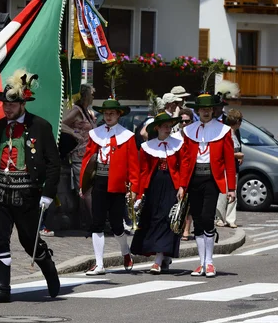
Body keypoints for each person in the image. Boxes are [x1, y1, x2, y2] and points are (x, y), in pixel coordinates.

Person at [0, 70, 61, 303]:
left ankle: (48, 268)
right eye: (5, 104)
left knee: (29, 240)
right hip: (1, 193)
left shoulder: (40, 126)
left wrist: (47, 194)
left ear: (23, 103)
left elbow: (54, 164)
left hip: (27, 194)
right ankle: (2, 289)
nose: (8, 109)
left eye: (12, 105)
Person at [80, 98, 139, 276]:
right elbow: (87, 159)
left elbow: (134, 166)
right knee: (96, 223)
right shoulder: (95, 134)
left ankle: (125, 252)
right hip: (99, 181)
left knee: (116, 226)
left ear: (119, 115)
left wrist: (134, 189)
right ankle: (99, 264)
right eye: (106, 113)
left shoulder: (127, 136)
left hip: (118, 185)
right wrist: (83, 184)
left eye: (112, 113)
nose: (108, 116)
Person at [182, 94, 236, 278]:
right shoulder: (189, 131)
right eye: (202, 109)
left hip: (212, 179)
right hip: (194, 179)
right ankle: (202, 262)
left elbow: (229, 161)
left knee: (207, 217)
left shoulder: (223, 130)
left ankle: (210, 262)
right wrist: (182, 186)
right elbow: (185, 160)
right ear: (197, 111)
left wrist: (232, 188)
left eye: (209, 109)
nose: (205, 112)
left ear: (213, 110)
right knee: (197, 220)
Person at [131, 113, 185, 274]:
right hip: (154, 185)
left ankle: (158, 260)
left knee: (167, 219)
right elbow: (143, 171)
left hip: (171, 185)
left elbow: (183, 167)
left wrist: (182, 187)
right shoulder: (148, 147)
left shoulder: (179, 144)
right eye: (165, 126)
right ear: (158, 128)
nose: (168, 129)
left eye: (170, 126)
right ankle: (163, 256)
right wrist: (138, 194)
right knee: (154, 219)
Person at [60, 84, 96, 232]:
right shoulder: (77, 110)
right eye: (92, 93)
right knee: (85, 189)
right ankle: (92, 221)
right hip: (79, 155)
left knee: (89, 188)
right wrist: (75, 132)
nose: (94, 96)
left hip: (90, 154)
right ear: (85, 94)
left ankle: (88, 221)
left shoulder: (87, 112)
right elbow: (61, 124)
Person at [215, 109, 243, 228]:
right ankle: (219, 218)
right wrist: (237, 155)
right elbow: (221, 153)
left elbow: (237, 147)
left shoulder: (237, 133)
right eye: (239, 121)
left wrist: (239, 156)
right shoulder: (225, 132)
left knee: (233, 192)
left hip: (234, 166)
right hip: (224, 167)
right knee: (223, 193)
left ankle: (231, 219)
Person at [176, 108, 195, 241]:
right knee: (178, 202)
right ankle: (177, 226)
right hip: (177, 173)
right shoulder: (175, 137)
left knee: (189, 203)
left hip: (191, 173)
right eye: (181, 121)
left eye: (187, 121)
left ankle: (186, 230)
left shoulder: (195, 136)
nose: (184, 124)